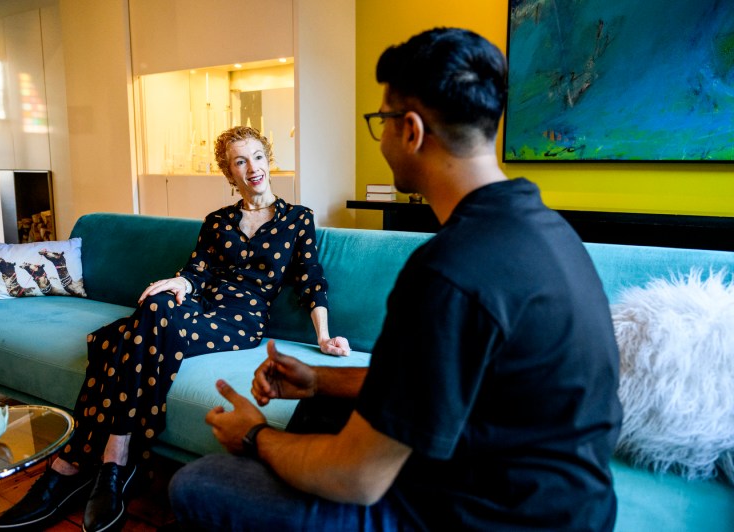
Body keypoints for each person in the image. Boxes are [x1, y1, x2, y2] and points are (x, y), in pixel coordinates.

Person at [168, 27, 623, 531]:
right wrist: (318, 379)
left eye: (380, 121)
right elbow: (429, 380)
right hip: (568, 500)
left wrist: (254, 435)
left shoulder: (448, 271)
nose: (380, 135)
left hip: (499, 516)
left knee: (199, 484)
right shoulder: (543, 226)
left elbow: (356, 479)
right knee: (318, 410)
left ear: (410, 130)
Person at [0, 126, 350, 532]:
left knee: (115, 341)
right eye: (240, 161)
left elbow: (311, 279)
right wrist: (180, 283)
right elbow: (197, 269)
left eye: (258, 157)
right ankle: (114, 462)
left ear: (269, 160)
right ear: (229, 174)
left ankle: (75, 465)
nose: (253, 168)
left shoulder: (297, 219)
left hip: (240, 321)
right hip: (198, 307)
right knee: (156, 303)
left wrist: (323, 335)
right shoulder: (217, 221)